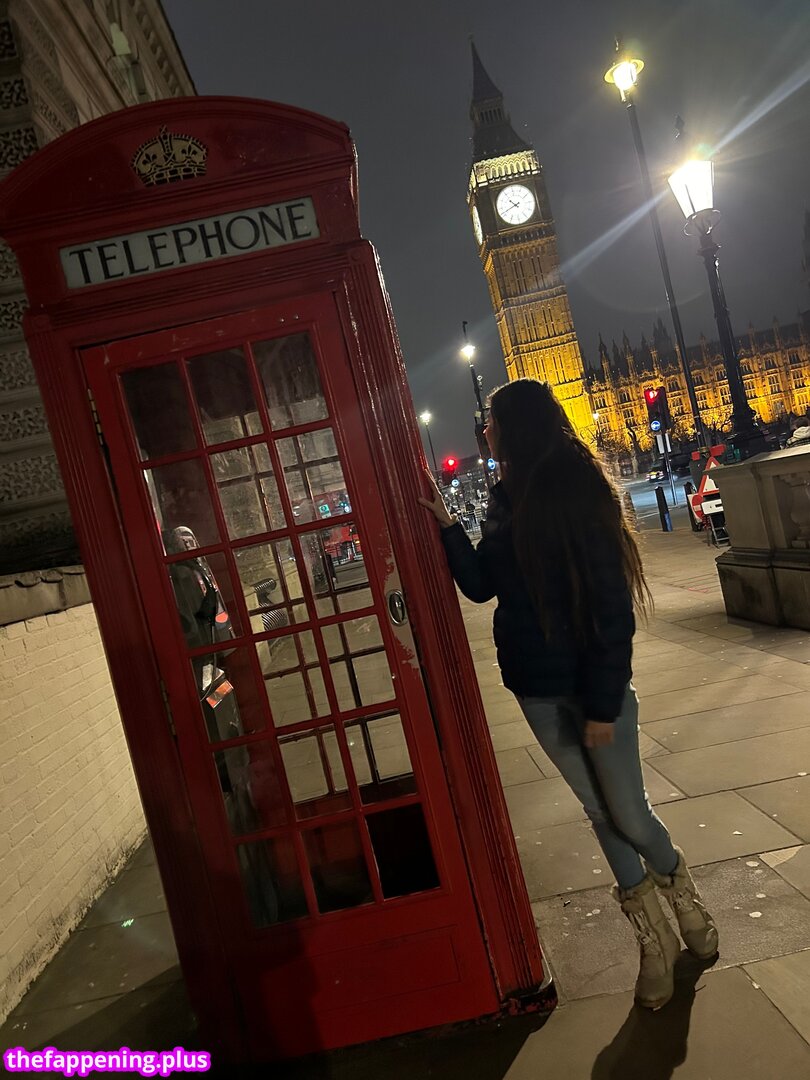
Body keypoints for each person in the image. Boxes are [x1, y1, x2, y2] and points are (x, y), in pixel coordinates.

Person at [419, 379, 717, 1010]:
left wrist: (604, 707)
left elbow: (612, 610)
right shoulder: (504, 497)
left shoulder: (580, 491)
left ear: (517, 426)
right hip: (536, 686)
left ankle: (683, 895)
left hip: (592, 687)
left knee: (628, 813)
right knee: (599, 812)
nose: (484, 432)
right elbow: (481, 586)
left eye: (491, 421)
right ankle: (654, 940)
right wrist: (447, 525)